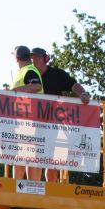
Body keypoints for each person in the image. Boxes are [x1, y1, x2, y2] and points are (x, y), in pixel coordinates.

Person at [30, 47, 90, 181]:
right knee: (33, 157)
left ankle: (50, 191)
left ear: (45, 59)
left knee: (52, 161)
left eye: (37, 58)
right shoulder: (29, 75)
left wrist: (83, 94)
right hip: (34, 123)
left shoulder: (57, 74)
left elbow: (74, 85)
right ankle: (32, 189)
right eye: (32, 58)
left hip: (54, 125)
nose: (34, 61)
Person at [11, 45, 43, 182]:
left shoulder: (28, 70)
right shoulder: (25, 70)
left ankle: (30, 187)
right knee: (24, 155)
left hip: (31, 120)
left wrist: (17, 90)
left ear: (16, 58)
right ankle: (25, 187)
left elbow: (37, 86)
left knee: (29, 155)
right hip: (25, 120)